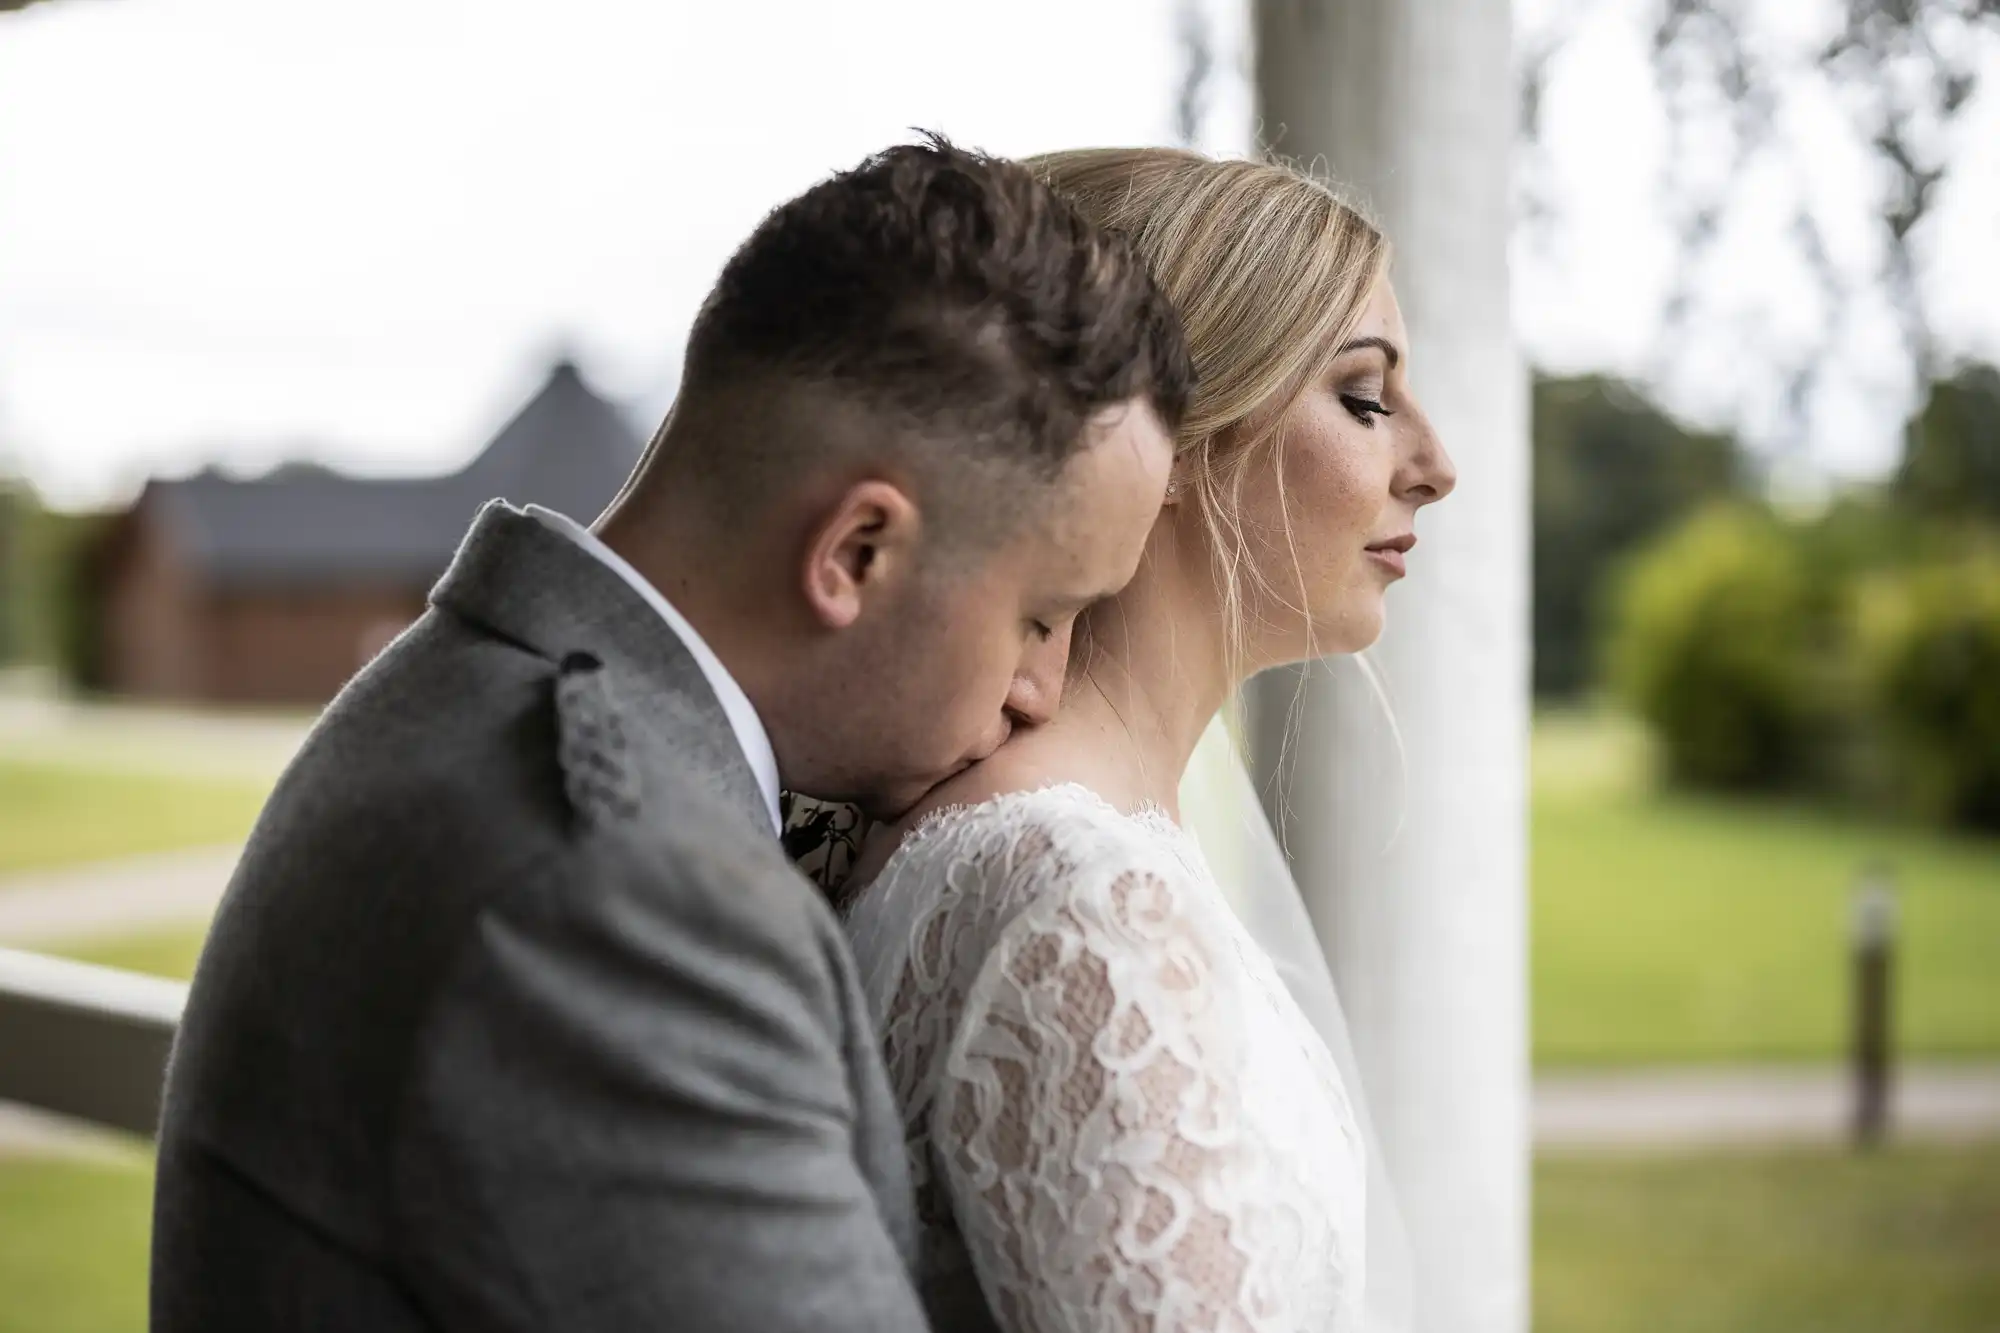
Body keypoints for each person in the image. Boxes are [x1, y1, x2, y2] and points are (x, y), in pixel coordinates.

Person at [149, 136, 1191, 1333]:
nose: (1037, 694)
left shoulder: (472, 693)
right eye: (1040, 616)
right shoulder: (617, 889)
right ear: (856, 553)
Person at [829, 148, 1457, 1333]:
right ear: (1156, 436)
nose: (1432, 467)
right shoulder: (1084, 902)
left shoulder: (1023, 843)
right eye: (1364, 398)